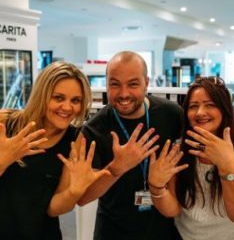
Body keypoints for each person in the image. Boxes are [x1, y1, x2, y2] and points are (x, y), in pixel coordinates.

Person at [0, 61, 108, 240]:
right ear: (42, 95)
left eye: (75, 100)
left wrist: (74, 191)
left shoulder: (76, 140)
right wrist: (2, 160)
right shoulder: (3, 123)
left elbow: (53, 209)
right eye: (58, 98)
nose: (67, 107)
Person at [78, 51, 183, 240]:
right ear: (107, 84)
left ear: (146, 83)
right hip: (113, 232)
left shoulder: (172, 114)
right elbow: (83, 196)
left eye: (133, 84)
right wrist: (115, 169)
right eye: (115, 84)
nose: (124, 93)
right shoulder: (94, 130)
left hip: (164, 231)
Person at [148, 76, 234, 240]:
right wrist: (156, 186)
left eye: (210, 105)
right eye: (193, 106)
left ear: (224, 109)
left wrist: (228, 167)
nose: (200, 113)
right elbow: (173, 209)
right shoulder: (179, 150)